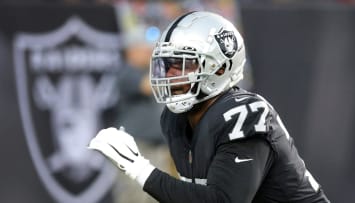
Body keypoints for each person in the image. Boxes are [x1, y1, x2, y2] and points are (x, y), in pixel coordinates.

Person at [89, 11, 330, 202]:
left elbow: (222, 200)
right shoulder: (175, 120)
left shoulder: (244, 114)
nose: (171, 75)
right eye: (167, 65)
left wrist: (139, 169)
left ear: (220, 68)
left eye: (183, 64)